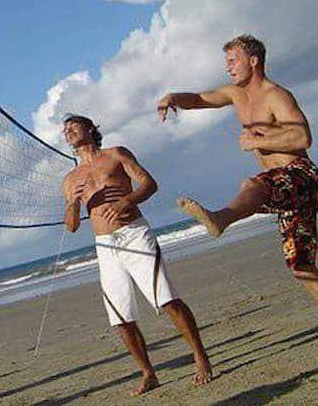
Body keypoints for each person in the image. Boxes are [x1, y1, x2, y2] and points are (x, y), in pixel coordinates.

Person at [158, 33, 318, 357]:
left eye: (232, 60)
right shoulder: (236, 95)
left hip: (301, 176)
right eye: (226, 61)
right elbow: (200, 98)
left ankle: (219, 219)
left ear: (253, 61)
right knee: (300, 265)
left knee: (252, 185)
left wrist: (259, 140)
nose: (227, 68)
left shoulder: (275, 95)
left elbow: (302, 135)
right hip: (280, 185)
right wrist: (173, 98)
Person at [61, 114, 212, 395]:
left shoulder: (115, 154)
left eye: (73, 126)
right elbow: (71, 227)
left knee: (166, 299)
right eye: (65, 129)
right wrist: (72, 203)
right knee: (120, 317)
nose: (68, 131)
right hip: (105, 245)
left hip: (134, 232)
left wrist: (126, 200)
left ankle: (200, 355)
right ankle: (148, 373)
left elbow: (149, 183)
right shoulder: (71, 179)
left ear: (91, 129)